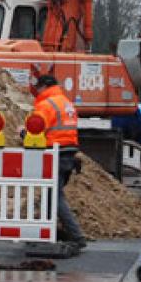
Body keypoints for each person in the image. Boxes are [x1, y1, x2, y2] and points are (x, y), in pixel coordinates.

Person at [31, 74, 87, 249]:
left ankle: (77, 236)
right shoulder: (66, 102)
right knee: (51, 195)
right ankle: (45, 232)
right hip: (68, 153)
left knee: (54, 196)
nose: (36, 92)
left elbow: (35, 131)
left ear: (43, 87)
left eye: (37, 88)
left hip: (55, 152)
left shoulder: (45, 105)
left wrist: (22, 133)